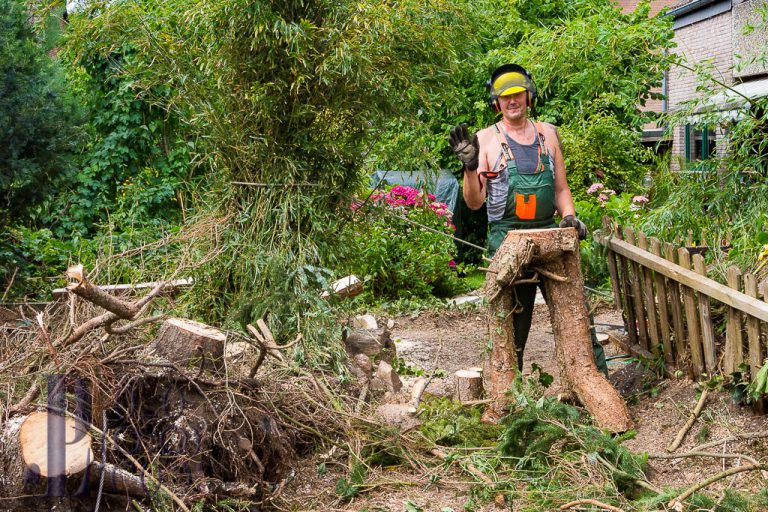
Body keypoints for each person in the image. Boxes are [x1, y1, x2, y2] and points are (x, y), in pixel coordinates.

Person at [448, 63, 608, 375]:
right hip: (508, 243)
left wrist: (570, 217)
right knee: (511, 326)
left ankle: (596, 380)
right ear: (497, 102)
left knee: (578, 318)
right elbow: (474, 202)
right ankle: (507, 397)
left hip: (550, 236)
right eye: (505, 97)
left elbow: (561, 188)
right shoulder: (485, 140)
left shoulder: (548, 134)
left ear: (528, 96)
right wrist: (469, 169)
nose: (512, 101)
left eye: (517, 94)